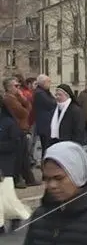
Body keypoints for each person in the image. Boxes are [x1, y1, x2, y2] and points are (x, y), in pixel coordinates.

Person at [22, 141, 87, 245]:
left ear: (78, 175)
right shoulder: (40, 216)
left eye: (59, 178)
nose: (52, 185)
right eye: (47, 179)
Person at [0, 100, 31, 234]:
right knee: (6, 198)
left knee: (3, 196)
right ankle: (19, 214)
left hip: (4, 165)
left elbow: (15, 144)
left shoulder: (8, 123)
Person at [2, 77, 38, 189]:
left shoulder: (15, 97)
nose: (19, 88)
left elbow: (29, 106)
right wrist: (23, 100)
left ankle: (28, 178)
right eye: (16, 86)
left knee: (24, 156)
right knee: (18, 156)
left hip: (21, 128)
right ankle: (17, 179)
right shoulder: (9, 98)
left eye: (19, 86)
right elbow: (24, 113)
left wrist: (21, 96)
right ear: (8, 88)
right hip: (16, 128)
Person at [46, 84, 86, 150]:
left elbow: (79, 130)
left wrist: (76, 145)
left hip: (71, 145)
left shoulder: (75, 110)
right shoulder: (56, 109)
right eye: (56, 95)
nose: (57, 97)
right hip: (57, 144)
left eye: (60, 95)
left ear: (67, 95)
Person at [32, 75, 56, 162]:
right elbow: (52, 103)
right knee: (46, 147)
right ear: (43, 83)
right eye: (48, 82)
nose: (50, 84)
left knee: (47, 146)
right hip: (45, 124)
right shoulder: (40, 93)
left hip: (46, 123)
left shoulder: (44, 92)